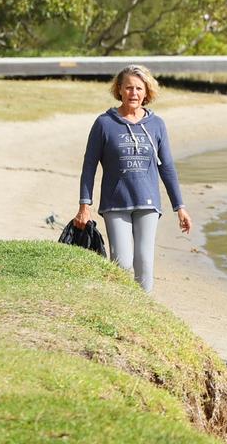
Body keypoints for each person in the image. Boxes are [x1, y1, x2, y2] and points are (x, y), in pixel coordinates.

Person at [75, 65, 191, 292]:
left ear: (147, 92)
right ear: (119, 89)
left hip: (148, 203)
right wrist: (84, 205)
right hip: (115, 203)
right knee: (122, 263)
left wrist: (180, 206)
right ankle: (120, 307)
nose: (134, 93)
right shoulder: (104, 124)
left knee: (144, 262)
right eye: (128, 88)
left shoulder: (157, 125)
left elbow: (167, 167)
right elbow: (89, 166)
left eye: (139, 88)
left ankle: (144, 311)